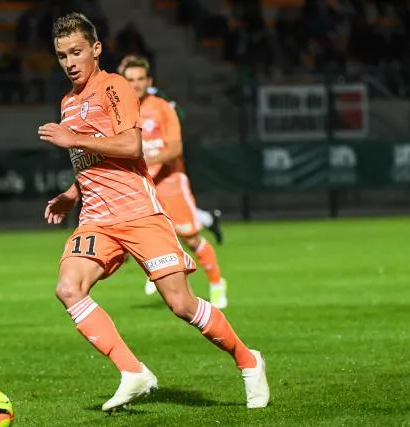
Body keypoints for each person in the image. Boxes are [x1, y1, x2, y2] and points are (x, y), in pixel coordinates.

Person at [38, 13, 268, 412]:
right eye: (62, 55)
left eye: (76, 52)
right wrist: (72, 194)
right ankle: (133, 372)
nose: (70, 62)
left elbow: (131, 146)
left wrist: (72, 138)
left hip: (139, 213)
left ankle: (248, 360)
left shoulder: (115, 87)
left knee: (182, 305)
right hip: (96, 219)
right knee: (68, 288)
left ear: (96, 49)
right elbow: (91, 161)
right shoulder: (68, 102)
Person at [119, 56, 228, 307]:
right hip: (141, 184)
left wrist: (146, 161)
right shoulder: (120, 111)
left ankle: (216, 283)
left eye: (140, 79)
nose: (136, 84)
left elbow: (175, 149)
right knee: (134, 238)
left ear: (149, 81)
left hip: (169, 181)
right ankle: (159, 270)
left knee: (191, 238)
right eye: (130, 80)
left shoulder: (163, 108)